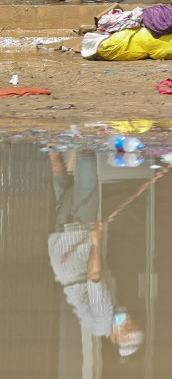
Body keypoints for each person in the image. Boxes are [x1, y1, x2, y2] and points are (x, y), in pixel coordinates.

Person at [46, 148, 145, 358]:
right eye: (132, 323)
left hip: (76, 257)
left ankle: (85, 146)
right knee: (64, 193)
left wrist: (96, 241)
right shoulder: (101, 323)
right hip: (64, 258)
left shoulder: (103, 319)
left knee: (87, 190)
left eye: (127, 328)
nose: (128, 320)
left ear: (116, 338)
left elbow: (94, 277)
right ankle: (54, 149)